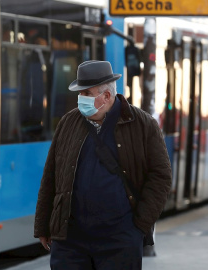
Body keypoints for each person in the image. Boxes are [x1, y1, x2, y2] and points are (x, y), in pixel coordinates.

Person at [34, 60, 172, 269]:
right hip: (71, 241)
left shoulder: (143, 125)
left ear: (106, 96)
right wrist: (43, 226)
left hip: (119, 241)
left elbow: (161, 177)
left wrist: (139, 227)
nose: (81, 99)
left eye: (87, 94)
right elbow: (51, 176)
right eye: (80, 94)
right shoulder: (68, 123)